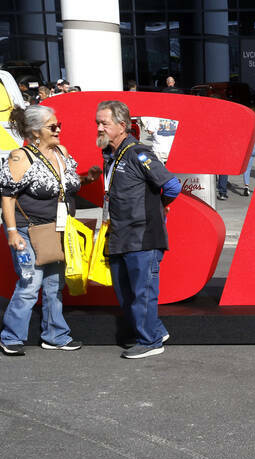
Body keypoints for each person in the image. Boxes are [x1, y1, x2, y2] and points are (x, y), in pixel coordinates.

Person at [0, 104, 100, 355]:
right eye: (52, 126)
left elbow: (65, 185)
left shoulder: (61, 152)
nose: (58, 130)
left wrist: (88, 180)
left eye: (59, 125)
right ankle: (11, 336)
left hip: (60, 230)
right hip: (29, 231)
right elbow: (7, 196)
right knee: (30, 283)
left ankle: (55, 335)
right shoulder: (20, 157)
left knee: (55, 284)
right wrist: (11, 232)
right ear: (34, 131)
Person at [96, 100, 182, 359]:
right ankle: (154, 330)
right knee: (127, 293)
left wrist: (160, 207)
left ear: (122, 126)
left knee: (143, 292)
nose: (99, 128)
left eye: (104, 123)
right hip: (120, 235)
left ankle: (151, 341)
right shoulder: (109, 155)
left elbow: (173, 186)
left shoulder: (137, 152)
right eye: (97, 123)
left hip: (142, 236)